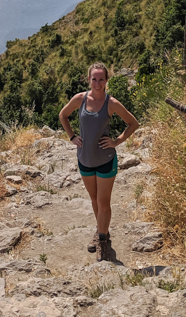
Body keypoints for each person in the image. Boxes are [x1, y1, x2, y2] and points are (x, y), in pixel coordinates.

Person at [59, 62, 139, 262]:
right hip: (85, 159)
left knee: (104, 203)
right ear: (89, 79)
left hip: (105, 159)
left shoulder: (111, 103)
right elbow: (63, 115)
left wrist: (117, 141)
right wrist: (71, 136)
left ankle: (102, 240)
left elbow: (133, 123)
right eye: (94, 79)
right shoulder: (80, 99)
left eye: (101, 79)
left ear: (106, 80)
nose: (97, 82)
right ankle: (101, 230)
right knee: (94, 200)